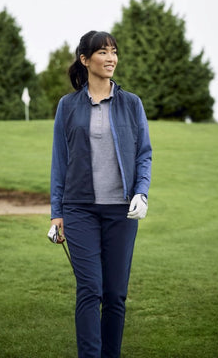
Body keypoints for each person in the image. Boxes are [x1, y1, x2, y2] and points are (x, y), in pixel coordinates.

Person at [49, 30, 152, 358]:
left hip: (121, 211)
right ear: (85, 59)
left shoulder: (131, 104)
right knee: (90, 289)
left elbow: (144, 154)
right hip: (79, 210)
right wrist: (56, 212)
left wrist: (141, 192)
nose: (111, 58)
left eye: (114, 52)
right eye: (103, 52)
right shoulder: (68, 106)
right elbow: (60, 161)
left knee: (115, 294)